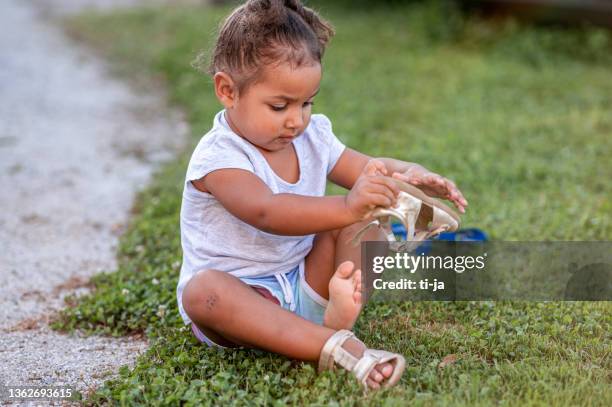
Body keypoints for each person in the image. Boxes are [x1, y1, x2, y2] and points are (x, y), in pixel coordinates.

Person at [176, 0, 468, 391]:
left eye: (307, 102)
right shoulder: (219, 159)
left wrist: (406, 175)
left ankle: (330, 314)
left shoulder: (311, 136)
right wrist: (347, 204)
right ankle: (337, 343)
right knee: (203, 293)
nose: (297, 119)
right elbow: (267, 211)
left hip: (305, 280)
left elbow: (365, 168)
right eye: (279, 106)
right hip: (243, 295)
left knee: (367, 224)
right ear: (228, 91)